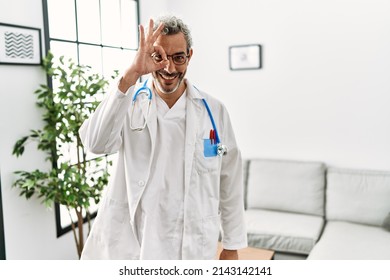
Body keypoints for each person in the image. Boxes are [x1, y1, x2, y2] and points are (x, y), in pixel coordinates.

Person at [79, 15, 247, 260]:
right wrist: (131, 74)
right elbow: (96, 143)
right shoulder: (129, 101)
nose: (169, 68)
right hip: (137, 242)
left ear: (189, 56)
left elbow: (229, 180)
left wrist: (232, 245)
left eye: (178, 58)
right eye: (159, 57)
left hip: (190, 243)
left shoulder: (214, 111)